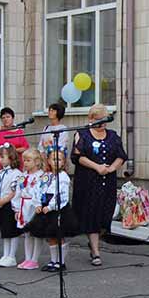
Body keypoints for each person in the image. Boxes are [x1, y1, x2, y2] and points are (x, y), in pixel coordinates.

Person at [71, 104, 127, 266]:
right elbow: (78, 157)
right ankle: (96, 251)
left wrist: (111, 169)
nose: (102, 123)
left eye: (105, 120)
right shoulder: (82, 134)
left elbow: (120, 155)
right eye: (99, 120)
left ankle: (95, 239)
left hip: (107, 182)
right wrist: (97, 167)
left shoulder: (113, 135)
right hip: (88, 181)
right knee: (91, 216)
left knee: (105, 215)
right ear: (91, 119)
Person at [25, 147, 78, 272]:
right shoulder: (46, 176)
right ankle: (53, 261)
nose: (56, 162)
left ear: (64, 162)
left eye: (59, 159)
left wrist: (51, 206)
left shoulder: (63, 177)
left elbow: (62, 195)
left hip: (58, 209)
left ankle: (61, 262)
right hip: (46, 208)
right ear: (48, 160)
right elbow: (38, 190)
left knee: (59, 235)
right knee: (51, 237)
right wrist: (38, 204)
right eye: (53, 159)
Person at [12, 148, 45, 270]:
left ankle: (34, 259)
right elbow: (18, 192)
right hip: (24, 206)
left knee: (35, 233)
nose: (25, 163)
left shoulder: (41, 176)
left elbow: (41, 192)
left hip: (34, 206)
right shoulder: (22, 176)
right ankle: (27, 258)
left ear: (36, 162)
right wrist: (16, 209)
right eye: (24, 160)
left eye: (28, 160)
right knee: (27, 233)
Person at [0, 144, 23, 267]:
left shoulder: (16, 173)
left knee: (12, 230)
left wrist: (5, 200)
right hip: (1, 205)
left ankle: (12, 256)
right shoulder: (0, 173)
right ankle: (5, 254)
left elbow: (15, 190)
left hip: (11, 204)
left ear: (11, 157)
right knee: (4, 230)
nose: (0, 159)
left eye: (2, 157)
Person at [0, 107, 30, 171]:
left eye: (8, 117)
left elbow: (25, 147)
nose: (6, 119)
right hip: (0, 164)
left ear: (12, 118)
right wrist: (3, 151)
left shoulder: (19, 132)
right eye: (3, 118)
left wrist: (13, 151)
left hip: (15, 164)